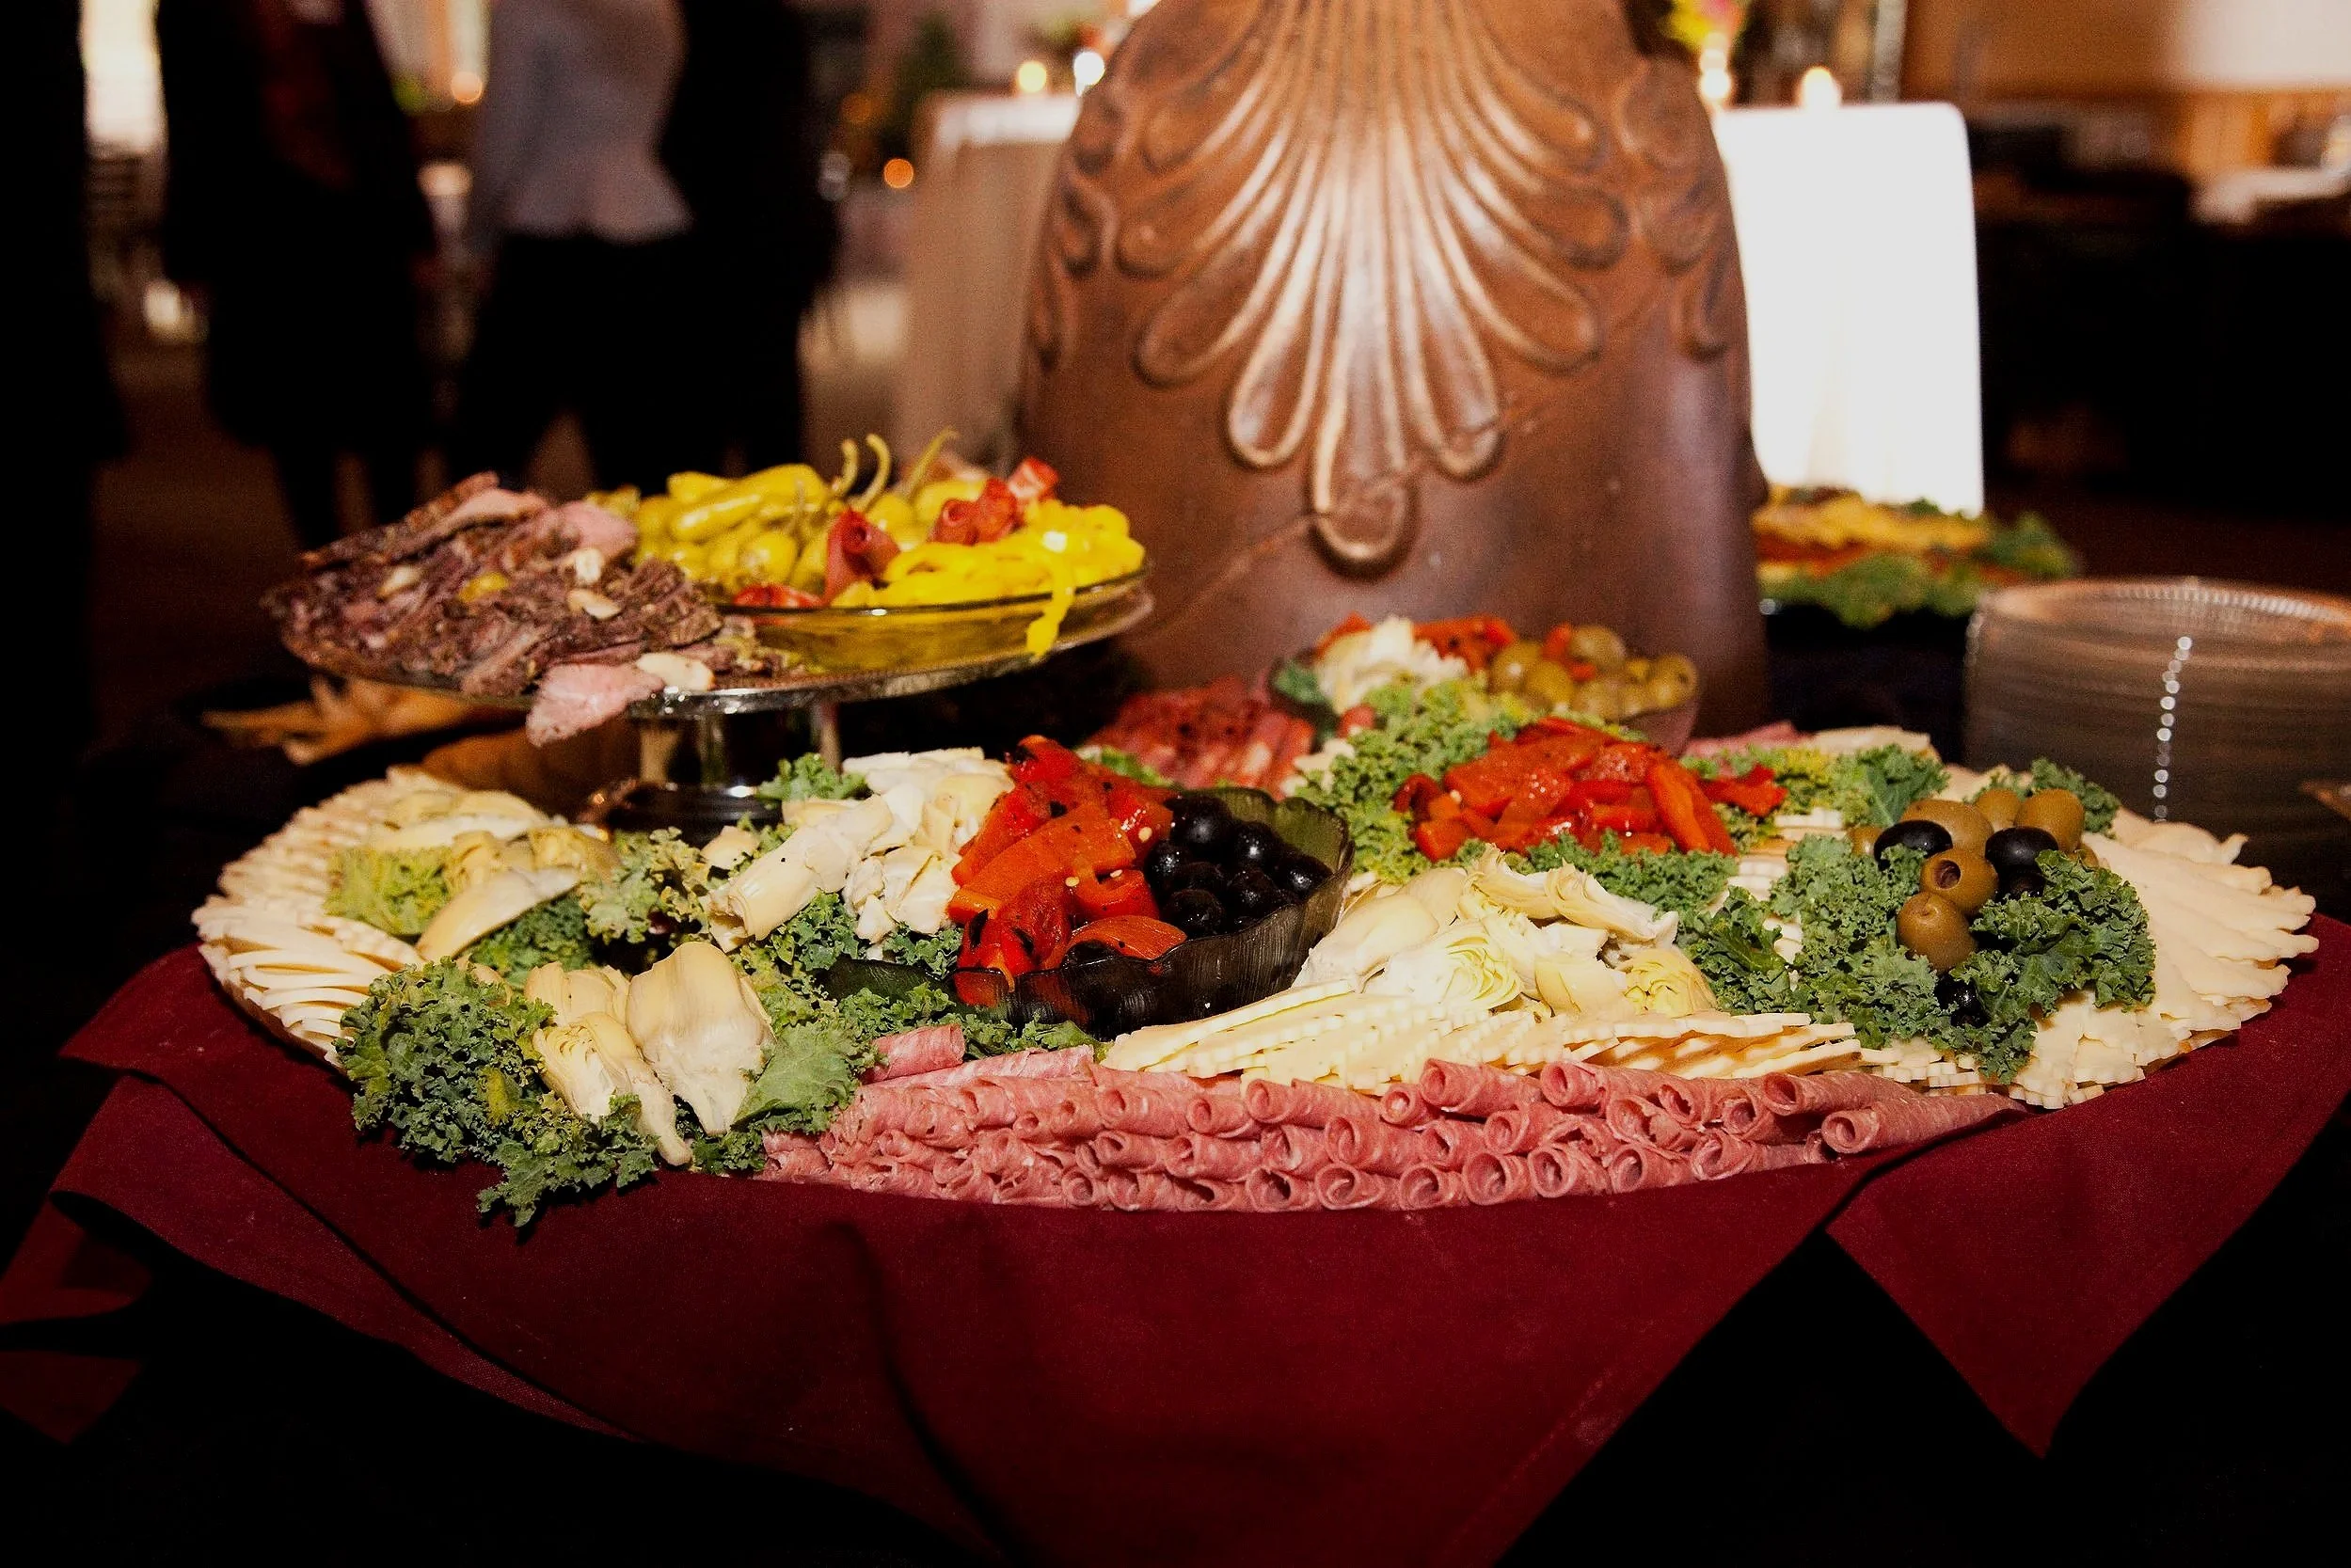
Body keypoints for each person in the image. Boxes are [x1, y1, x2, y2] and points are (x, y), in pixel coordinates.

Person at [157, 0, 433, 549]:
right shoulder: (195, 15)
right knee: (301, 434)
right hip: (268, 247)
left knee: (389, 429)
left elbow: (381, 116)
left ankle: (406, 580)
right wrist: (189, 255)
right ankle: (329, 587)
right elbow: (191, 130)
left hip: (363, 243)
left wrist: (415, 230)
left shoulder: (340, 10)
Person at [451, 0, 717, 491]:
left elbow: (502, 133)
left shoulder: (523, 8)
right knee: (643, 449)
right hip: (649, 227)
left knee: (484, 452)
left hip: (551, 237)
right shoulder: (659, 8)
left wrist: (477, 237)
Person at [660, 0, 838, 468]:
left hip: (712, 235)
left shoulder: (686, 21)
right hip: (773, 228)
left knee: (707, 408)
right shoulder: (780, 22)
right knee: (771, 402)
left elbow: (682, 137)